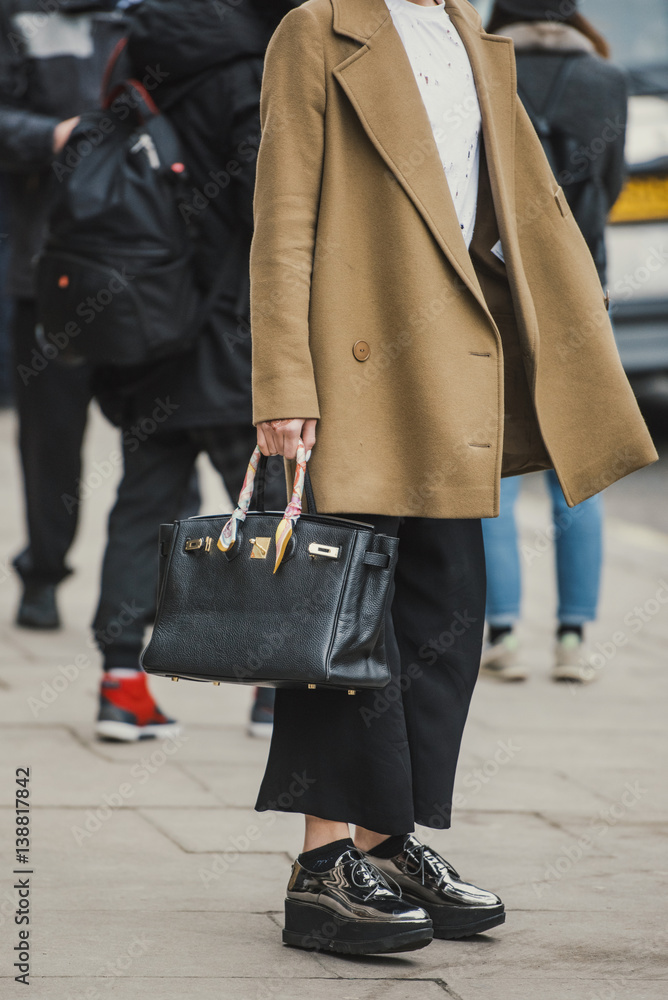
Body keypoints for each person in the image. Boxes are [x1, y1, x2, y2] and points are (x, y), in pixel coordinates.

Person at [248, 0, 657, 955]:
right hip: (354, 373)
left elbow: (515, 212)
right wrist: (284, 381)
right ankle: (320, 868)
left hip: (455, 367)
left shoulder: (470, 35)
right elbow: (282, 217)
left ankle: (387, 845)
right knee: (342, 620)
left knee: (444, 612)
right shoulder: (319, 27)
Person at [90, 0, 290, 742]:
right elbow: (267, 205)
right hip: (232, 328)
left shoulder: (131, 54)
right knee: (269, 507)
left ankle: (121, 686)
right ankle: (273, 691)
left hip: (144, 321)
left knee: (144, 504)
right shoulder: (250, 69)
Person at [479, 0, 627, 683]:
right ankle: (572, 639)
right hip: (581, 289)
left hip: (495, 291)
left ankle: (503, 635)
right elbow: (610, 182)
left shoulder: (483, 68)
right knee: (581, 468)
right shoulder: (606, 80)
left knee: (494, 467)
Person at [0, 0, 126, 630]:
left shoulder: (155, 17)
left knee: (163, 439)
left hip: (147, 276)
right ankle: (44, 574)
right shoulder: (19, 16)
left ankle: (155, 588)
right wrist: (53, 135)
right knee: (51, 440)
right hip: (50, 271)